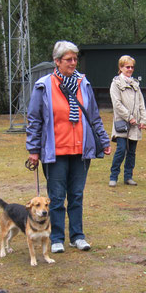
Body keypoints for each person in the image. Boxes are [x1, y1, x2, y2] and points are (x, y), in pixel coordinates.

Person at [26, 40, 111, 253]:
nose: (73, 63)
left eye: (75, 59)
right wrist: (33, 150)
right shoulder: (44, 85)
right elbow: (34, 119)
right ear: (57, 62)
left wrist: (103, 140)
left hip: (81, 151)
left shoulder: (84, 83)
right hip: (55, 151)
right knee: (55, 198)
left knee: (76, 195)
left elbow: (93, 116)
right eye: (68, 59)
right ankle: (56, 238)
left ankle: (77, 236)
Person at [108, 55, 146, 187]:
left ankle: (128, 177)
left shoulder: (136, 84)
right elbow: (117, 104)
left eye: (131, 67)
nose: (130, 69)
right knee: (121, 150)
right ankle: (113, 176)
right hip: (122, 124)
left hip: (135, 125)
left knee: (132, 152)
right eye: (127, 67)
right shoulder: (115, 84)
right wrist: (129, 117)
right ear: (121, 67)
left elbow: (141, 103)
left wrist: (142, 120)